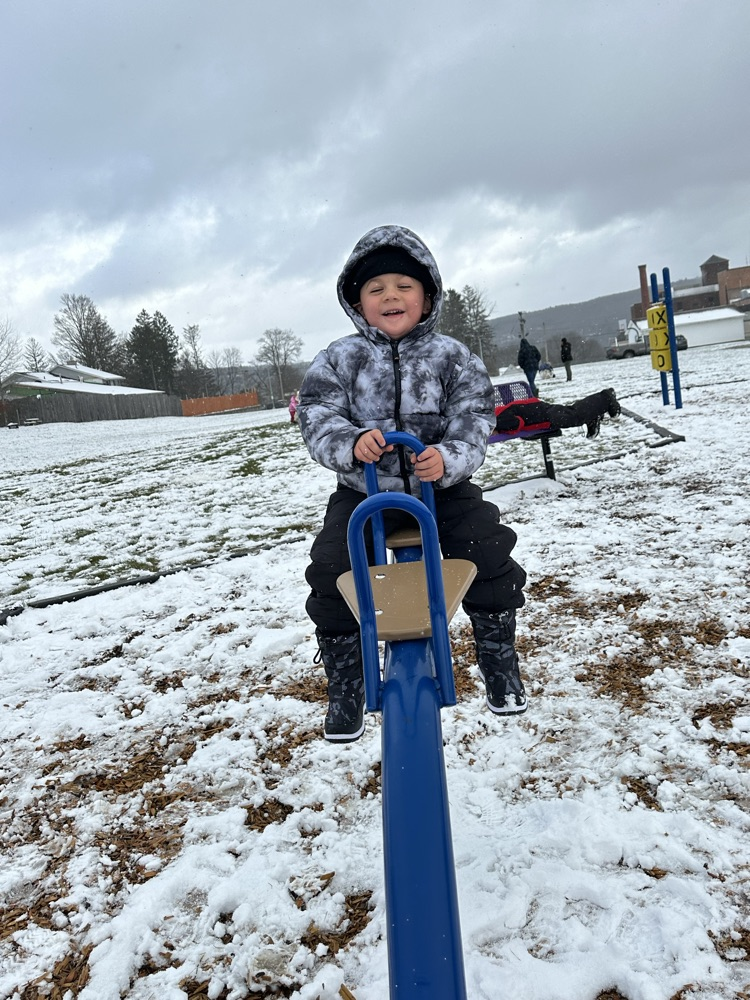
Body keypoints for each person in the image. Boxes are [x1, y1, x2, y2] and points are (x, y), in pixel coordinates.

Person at [298, 225, 527, 742]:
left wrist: (447, 457)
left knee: (487, 549)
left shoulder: (452, 357)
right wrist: (351, 443)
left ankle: (498, 657)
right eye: (376, 289)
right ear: (357, 302)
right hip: (366, 493)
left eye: (403, 285)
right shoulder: (340, 358)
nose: (390, 296)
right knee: (332, 570)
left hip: (440, 489)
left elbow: (476, 413)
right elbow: (316, 414)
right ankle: (347, 679)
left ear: (426, 298)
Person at [492, 387, 621, 440]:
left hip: (543, 414)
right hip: (541, 414)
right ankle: (591, 417)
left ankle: (605, 397)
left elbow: (517, 423)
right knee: (573, 415)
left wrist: (500, 429)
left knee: (573, 415)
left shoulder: (498, 420)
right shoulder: (495, 419)